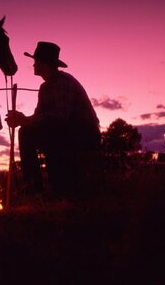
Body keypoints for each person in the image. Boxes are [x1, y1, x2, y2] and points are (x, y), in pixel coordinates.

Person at [6, 41, 101, 196]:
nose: (34, 65)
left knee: (44, 130)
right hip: (65, 130)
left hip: (84, 132)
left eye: (36, 62)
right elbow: (39, 118)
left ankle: (51, 187)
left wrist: (26, 120)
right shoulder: (45, 87)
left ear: (44, 64)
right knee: (26, 131)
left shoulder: (63, 81)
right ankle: (33, 187)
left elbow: (61, 116)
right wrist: (22, 120)